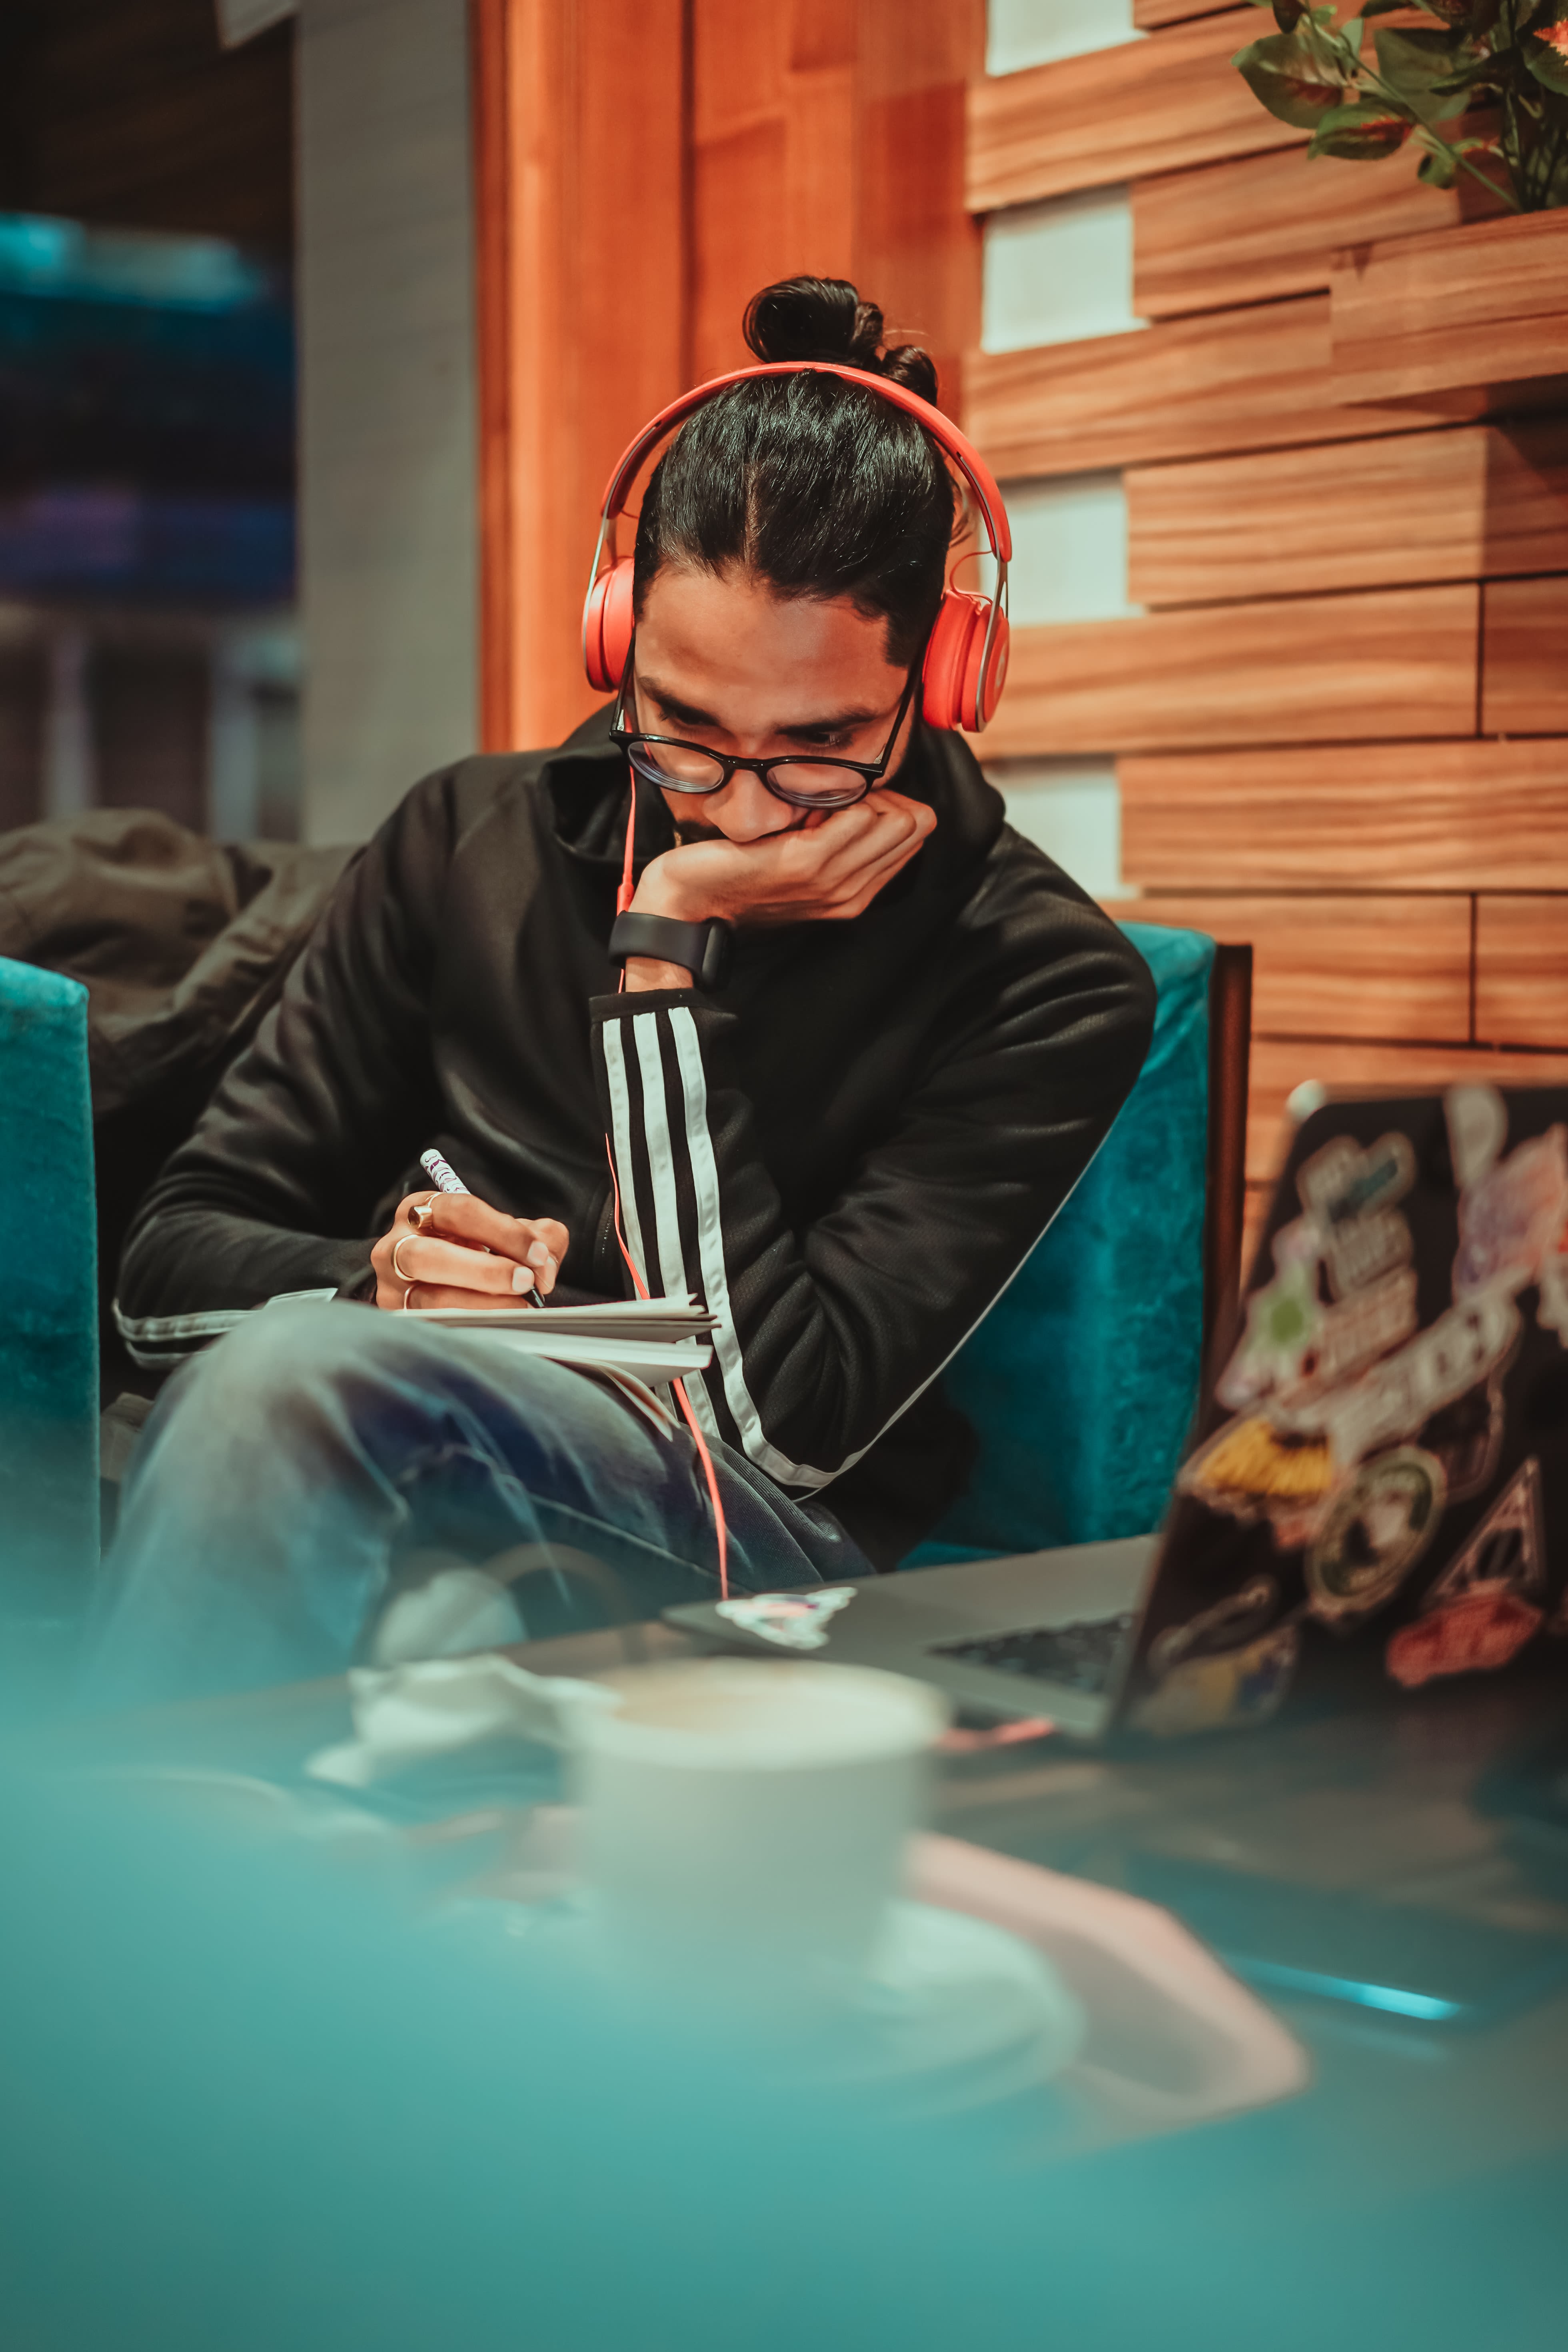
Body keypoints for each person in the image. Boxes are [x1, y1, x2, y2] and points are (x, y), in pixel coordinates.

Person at [82, 277, 1156, 1707]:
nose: (746, 813)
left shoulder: (1041, 976)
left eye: (819, 746)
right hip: (408, 1426)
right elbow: (160, 1274)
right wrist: (374, 1281)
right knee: (408, 1568)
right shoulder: (467, 838)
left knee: (300, 1385)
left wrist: (666, 949)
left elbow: (773, 1433)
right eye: (683, 728)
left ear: (943, 680)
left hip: (751, 1531)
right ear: (615, 642)